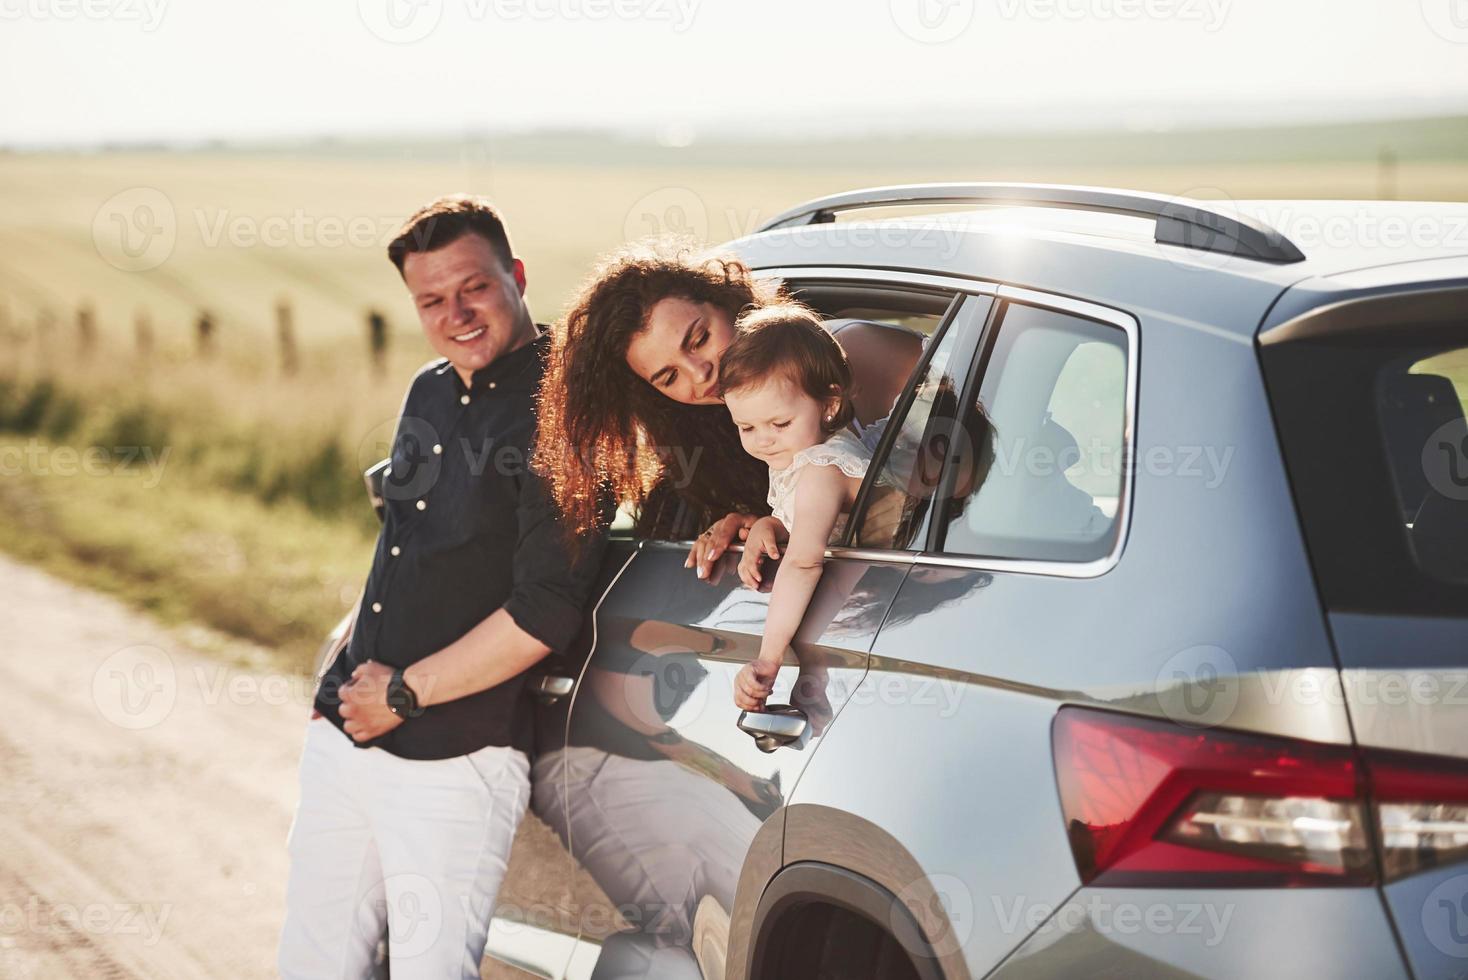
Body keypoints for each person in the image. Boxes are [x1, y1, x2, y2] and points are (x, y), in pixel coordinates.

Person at [279, 195, 608, 979]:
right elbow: (407, 540)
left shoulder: (565, 413)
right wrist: (349, 650)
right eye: (431, 300)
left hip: (455, 760)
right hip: (344, 732)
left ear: (517, 276)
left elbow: (545, 608)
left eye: (474, 288)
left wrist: (402, 694)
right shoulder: (429, 388)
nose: (455, 313)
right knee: (311, 964)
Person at [534, 237, 922, 576]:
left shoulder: (849, 351)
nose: (700, 373)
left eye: (699, 338)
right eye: (669, 378)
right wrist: (768, 524)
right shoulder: (726, 436)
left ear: (724, 300)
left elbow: (936, 489)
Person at [711, 305, 872, 710]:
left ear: (830, 404)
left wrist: (768, 657)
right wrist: (772, 524)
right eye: (746, 428)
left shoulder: (822, 467)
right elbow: (811, 520)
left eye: (779, 424)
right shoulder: (801, 456)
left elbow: (804, 563)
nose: (763, 440)